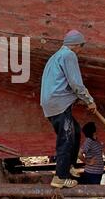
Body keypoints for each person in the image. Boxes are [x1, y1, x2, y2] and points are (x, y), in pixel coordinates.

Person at [40, 29, 97, 188]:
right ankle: (60, 177)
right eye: (81, 46)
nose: (80, 50)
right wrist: (88, 100)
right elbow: (76, 83)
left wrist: (75, 98)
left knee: (76, 132)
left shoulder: (55, 56)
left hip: (52, 102)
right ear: (76, 45)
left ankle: (69, 166)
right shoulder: (69, 55)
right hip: (58, 103)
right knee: (66, 140)